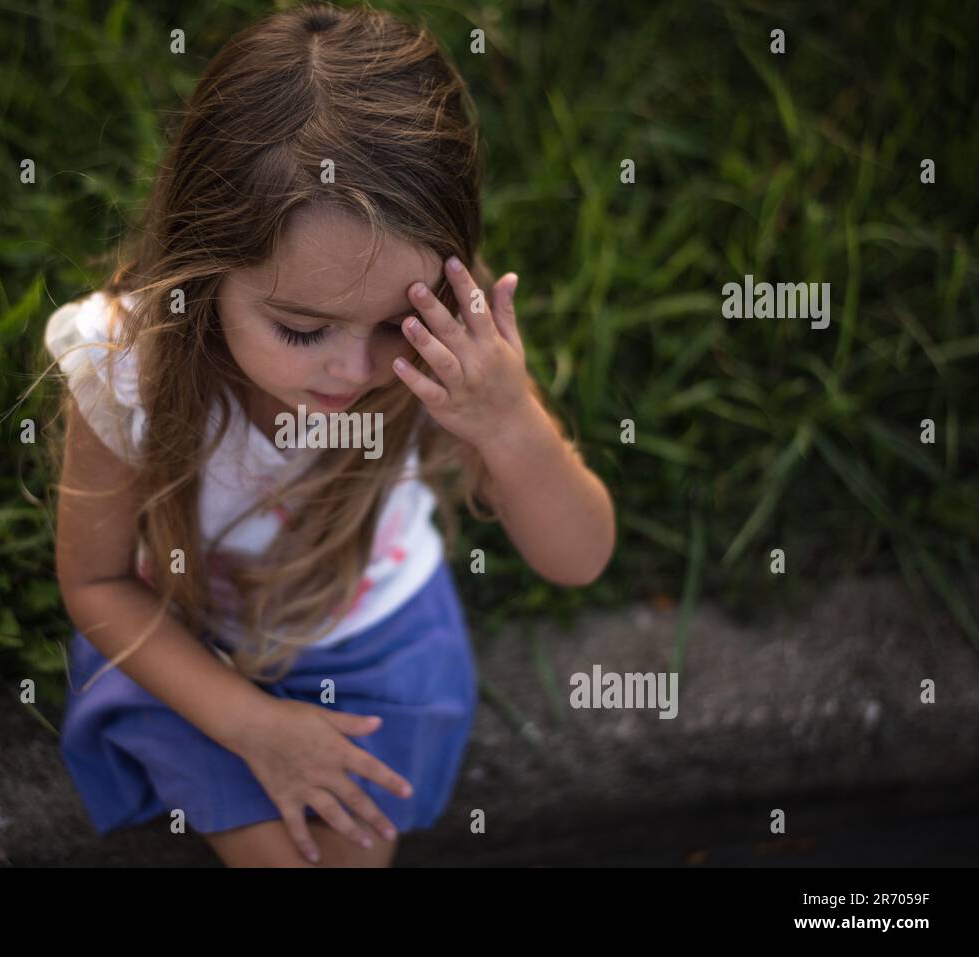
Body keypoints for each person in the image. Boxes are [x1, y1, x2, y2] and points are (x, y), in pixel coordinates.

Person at [42, 4, 615, 868]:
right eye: (304, 330)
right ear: (204, 269)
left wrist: (510, 423)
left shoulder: (443, 365)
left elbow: (579, 557)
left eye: (393, 323)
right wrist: (256, 725)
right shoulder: (129, 371)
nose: (354, 370)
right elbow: (95, 585)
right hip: (189, 654)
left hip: (378, 646)